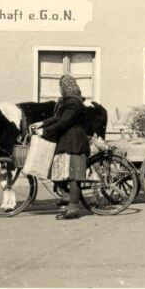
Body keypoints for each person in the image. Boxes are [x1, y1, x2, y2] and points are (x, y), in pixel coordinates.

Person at [33, 75, 90, 220]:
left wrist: (44, 132)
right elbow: (57, 118)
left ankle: (73, 208)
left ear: (64, 87)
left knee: (74, 177)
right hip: (67, 141)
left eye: (61, 86)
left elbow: (63, 122)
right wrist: (42, 123)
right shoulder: (68, 101)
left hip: (75, 143)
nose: (60, 89)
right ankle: (67, 196)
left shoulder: (74, 103)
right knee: (57, 172)